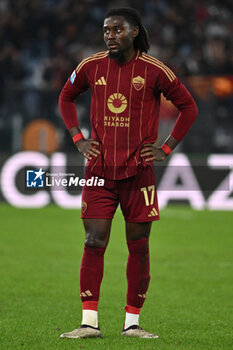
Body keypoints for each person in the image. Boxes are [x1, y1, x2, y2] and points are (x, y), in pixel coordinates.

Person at [58, 7, 197, 339]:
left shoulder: (153, 70)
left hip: (139, 173)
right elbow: (65, 97)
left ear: (134, 32)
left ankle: (132, 323)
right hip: (100, 172)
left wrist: (166, 148)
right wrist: (78, 139)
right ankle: (88, 322)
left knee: (139, 244)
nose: (110, 35)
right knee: (93, 241)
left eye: (117, 30)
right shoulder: (91, 66)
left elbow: (188, 106)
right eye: (106, 30)